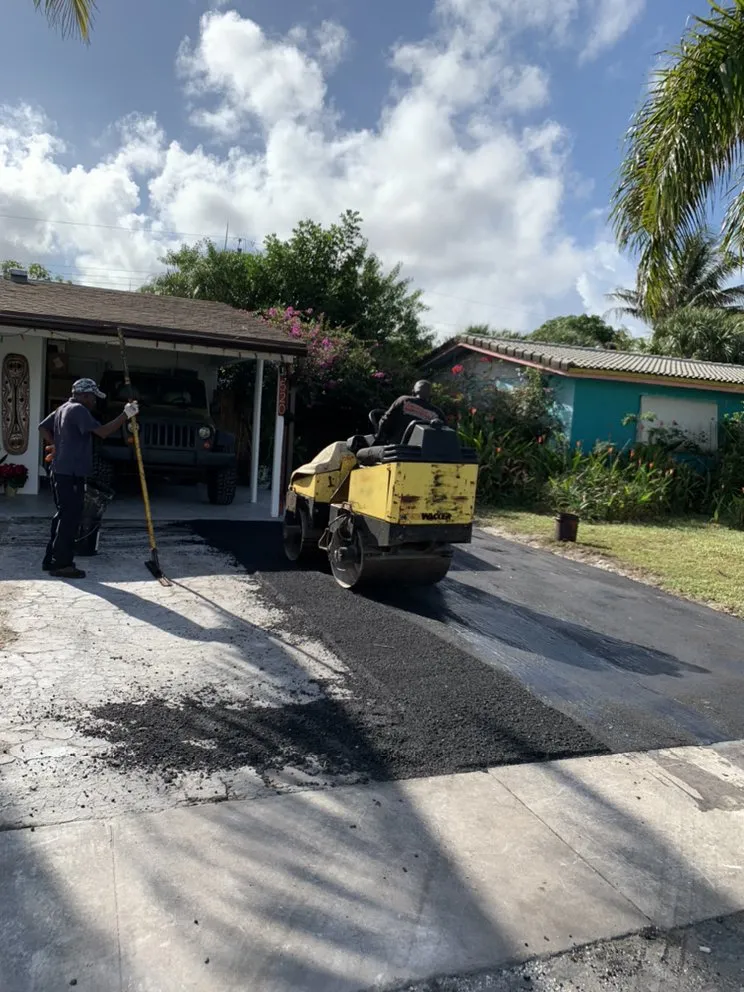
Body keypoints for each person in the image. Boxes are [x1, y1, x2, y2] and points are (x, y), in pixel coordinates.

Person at [38, 378, 138, 579]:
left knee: (63, 514)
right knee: (70, 518)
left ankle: (51, 559)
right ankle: (62, 564)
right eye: (93, 397)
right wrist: (125, 415)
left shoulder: (62, 409)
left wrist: (57, 445)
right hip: (71, 472)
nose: (94, 402)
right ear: (84, 396)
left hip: (60, 470)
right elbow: (102, 432)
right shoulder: (78, 410)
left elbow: (42, 427)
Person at [375, 380, 445, 445]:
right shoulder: (438, 412)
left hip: (397, 449)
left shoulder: (403, 400)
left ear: (413, 391)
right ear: (430, 394)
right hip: (423, 452)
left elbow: (385, 421)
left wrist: (378, 439)